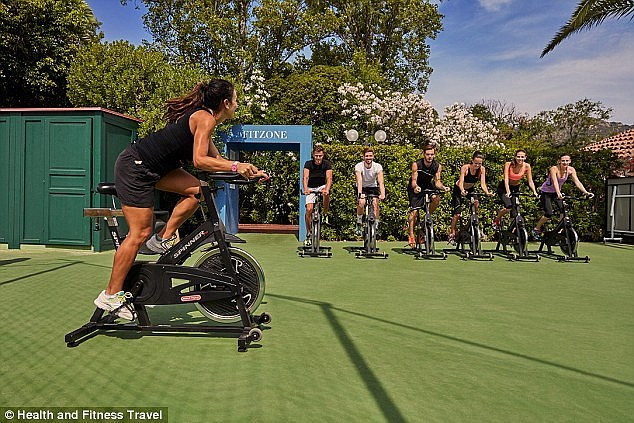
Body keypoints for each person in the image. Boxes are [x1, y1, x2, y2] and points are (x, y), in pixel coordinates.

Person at [93, 79, 265, 320]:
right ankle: (110, 294)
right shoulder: (204, 118)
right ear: (226, 103)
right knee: (138, 233)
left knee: (197, 191)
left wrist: (251, 172)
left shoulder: (207, 121)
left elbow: (217, 162)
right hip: (135, 166)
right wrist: (237, 165)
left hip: (156, 168)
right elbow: (200, 161)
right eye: (236, 100)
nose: (237, 104)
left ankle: (162, 239)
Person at [533, 154, 593, 239]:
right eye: (563, 161)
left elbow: (577, 182)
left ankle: (559, 230)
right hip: (546, 192)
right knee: (549, 213)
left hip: (557, 193)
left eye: (567, 161)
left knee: (563, 211)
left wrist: (586, 193)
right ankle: (536, 228)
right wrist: (558, 193)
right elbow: (555, 182)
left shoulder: (571, 170)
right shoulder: (554, 169)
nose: (565, 162)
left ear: (570, 161)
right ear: (559, 161)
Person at [407, 143, 449, 248]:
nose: (430, 157)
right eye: (428, 154)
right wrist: (416, 187)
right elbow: (413, 181)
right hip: (416, 188)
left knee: (436, 199)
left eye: (432, 154)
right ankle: (411, 235)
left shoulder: (437, 166)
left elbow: (437, 182)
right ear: (424, 154)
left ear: (434, 155)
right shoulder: (416, 164)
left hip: (428, 186)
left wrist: (443, 187)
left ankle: (427, 215)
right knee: (414, 213)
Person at [448, 151, 493, 245]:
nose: (477, 165)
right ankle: (452, 233)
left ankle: (472, 223)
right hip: (459, 189)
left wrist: (487, 192)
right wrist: (462, 190)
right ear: (472, 161)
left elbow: (483, 184)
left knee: (476, 203)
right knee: (457, 214)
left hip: (470, 189)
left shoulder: (482, 169)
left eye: (479, 163)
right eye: (475, 163)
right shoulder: (465, 168)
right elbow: (461, 182)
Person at [492, 149, 538, 230]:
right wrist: (508, 191)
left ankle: (514, 231)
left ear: (525, 157)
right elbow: (506, 178)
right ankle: (497, 219)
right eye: (518, 157)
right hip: (504, 187)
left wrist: (534, 191)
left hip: (515, 188)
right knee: (508, 206)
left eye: (522, 157)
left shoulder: (527, 166)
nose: (520, 159)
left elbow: (530, 180)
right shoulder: (509, 164)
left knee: (515, 212)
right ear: (515, 157)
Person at [302, 144, 333, 245]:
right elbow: (305, 177)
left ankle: (325, 213)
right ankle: (308, 232)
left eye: (320, 156)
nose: (318, 158)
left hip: (321, 186)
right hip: (310, 187)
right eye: (316, 156)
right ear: (313, 156)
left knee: (326, 194)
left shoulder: (327, 164)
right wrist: (306, 189)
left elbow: (329, 178)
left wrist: (327, 189)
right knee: (309, 210)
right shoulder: (308, 164)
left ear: (323, 155)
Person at [354, 147, 386, 235]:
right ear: (363, 157)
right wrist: (360, 194)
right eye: (367, 156)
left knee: (376, 204)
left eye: (370, 156)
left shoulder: (377, 166)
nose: (368, 158)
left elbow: (381, 181)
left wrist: (382, 194)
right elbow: (359, 180)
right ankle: (359, 222)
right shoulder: (359, 166)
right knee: (361, 203)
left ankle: (376, 225)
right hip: (362, 187)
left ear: (373, 156)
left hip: (372, 187)